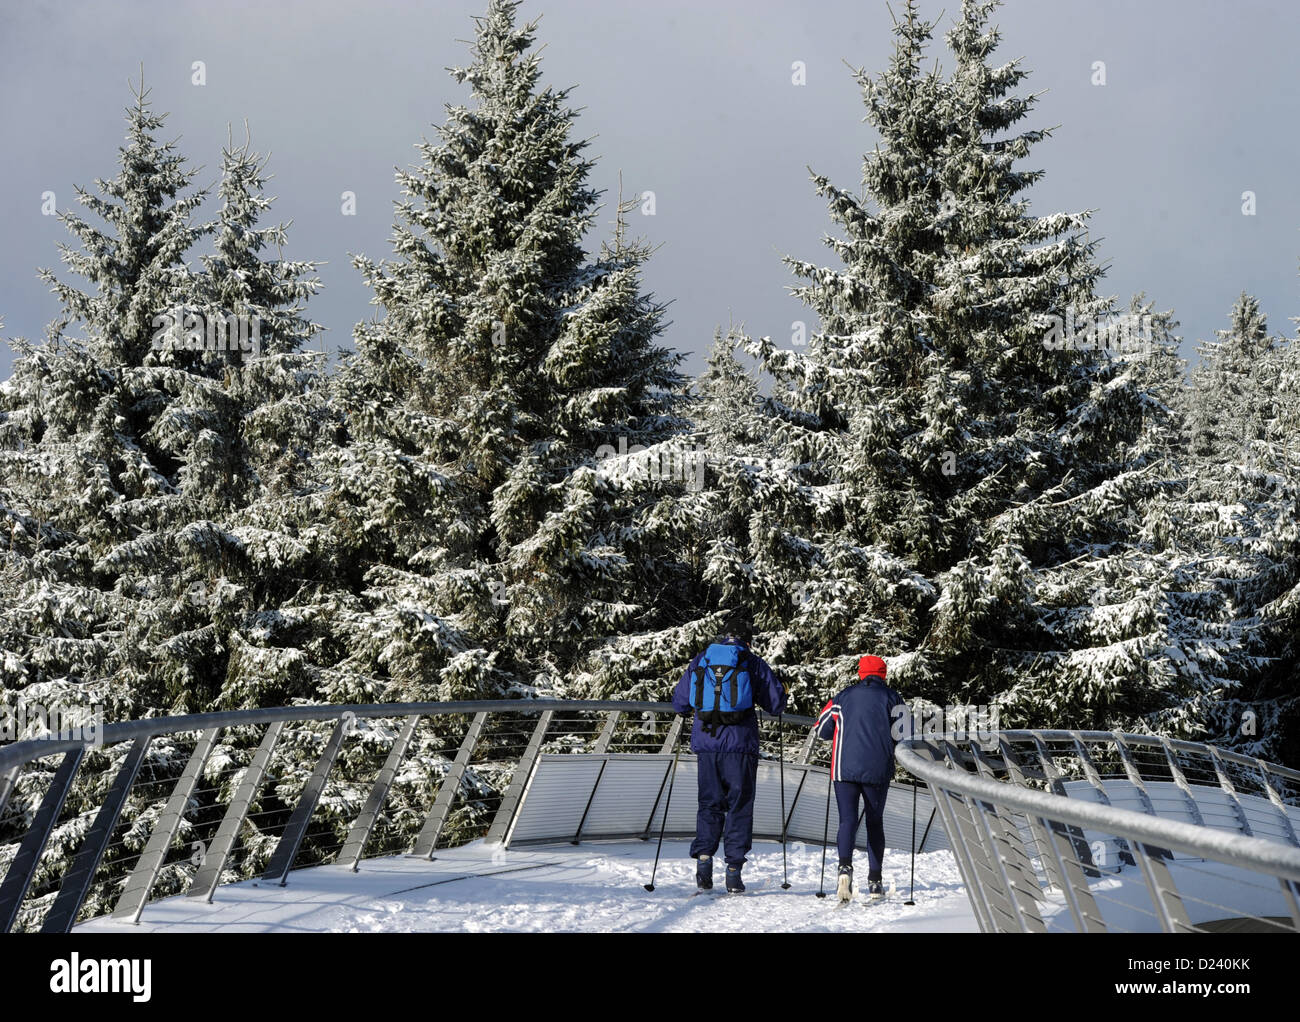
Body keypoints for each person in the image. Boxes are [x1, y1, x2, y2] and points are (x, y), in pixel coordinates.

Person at [672, 614, 786, 893]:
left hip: (707, 745)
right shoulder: (752, 662)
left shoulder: (703, 659)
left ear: (724, 636)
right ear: (748, 639)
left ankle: (703, 864)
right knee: (739, 806)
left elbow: (679, 702)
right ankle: (733, 872)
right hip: (740, 745)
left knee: (709, 804)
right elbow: (776, 704)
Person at [813, 654, 905, 902]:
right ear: (883, 674)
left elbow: (822, 729)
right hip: (877, 770)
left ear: (861, 673)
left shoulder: (842, 697)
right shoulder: (893, 698)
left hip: (844, 769)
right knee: (875, 822)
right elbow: (906, 733)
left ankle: (844, 868)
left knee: (847, 820)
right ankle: (875, 881)